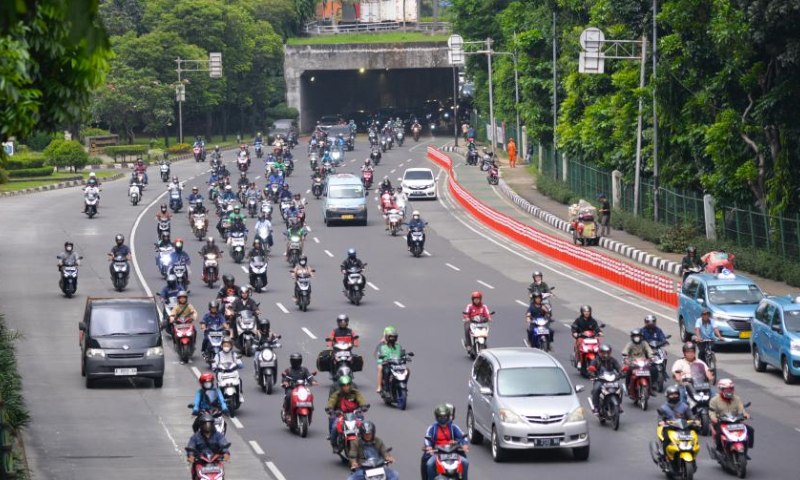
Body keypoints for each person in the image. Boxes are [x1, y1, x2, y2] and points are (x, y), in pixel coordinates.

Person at [423, 404, 469, 480]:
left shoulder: (453, 426)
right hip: (438, 453)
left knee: (465, 462)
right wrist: (429, 447)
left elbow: (462, 435)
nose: (443, 419)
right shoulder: (432, 428)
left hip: (452, 453)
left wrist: (464, 444)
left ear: (448, 417)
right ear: (437, 417)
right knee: (429, 464)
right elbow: (427, 438)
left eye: (445, 417)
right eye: (440, 417)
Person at [709, 379, 753, 452]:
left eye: (731, 389)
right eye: (726, 389)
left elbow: (741, 410)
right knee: (718, 434)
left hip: (735, 421)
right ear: (721, 389)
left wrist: (745, 415)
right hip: (721, 422)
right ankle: (720, 450)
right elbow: (712, 412)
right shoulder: (714, 400)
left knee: (750, 430)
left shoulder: (737, 399)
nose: (729, 391)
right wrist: (714, 418)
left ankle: (746, 448)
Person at [326, 375, 368, 451]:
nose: (346, 387)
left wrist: (363, 406)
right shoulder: (337, 394)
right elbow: (331, 401)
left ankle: (366, 443)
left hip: (354, 414)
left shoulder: (355, 393)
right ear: (341, 386)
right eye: (344, 386)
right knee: (335, 427)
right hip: (341, 415)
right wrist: (331, 409)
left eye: (347, 385)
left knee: (365, 427)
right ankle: (334, 443)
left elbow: (361, 399)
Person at [185, 412, 230, 477]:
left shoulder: (218, 435)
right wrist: (191, 456)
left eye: (209, 424)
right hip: (200, 461)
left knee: (221, 473)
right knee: (195, 472)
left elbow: (223, 443)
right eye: (205, 424)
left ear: (212, 424)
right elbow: (191, 447)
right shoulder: (195, 437)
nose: (207, 426)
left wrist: (226, 453)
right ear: (201, 425)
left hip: (215, 461)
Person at [587, 344, 622, 414]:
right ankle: (596, 407)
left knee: (620, 389)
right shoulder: (596, 360)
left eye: (607, 353)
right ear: (600, 352)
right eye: (604, 353)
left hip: (611, 380)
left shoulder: (613, 360)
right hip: (600, 380)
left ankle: (618, 405)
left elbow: (619, 368)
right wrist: (592, 373)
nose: (605, 355)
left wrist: (622, 373)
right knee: (596, 389)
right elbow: (591, 368)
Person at [621, 328, 656, 397]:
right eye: (635, 336)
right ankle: (628, 388)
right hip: (632, 363)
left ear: (641, 336)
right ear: (632, 337)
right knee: (628, 372)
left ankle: (651, 388)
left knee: (653, 370)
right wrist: (626, 358)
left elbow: (649, 350)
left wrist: (652, 357)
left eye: (638, 336)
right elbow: (625, 352)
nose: (637, 338)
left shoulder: (644, 343)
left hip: (643, 362)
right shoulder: (630, 344)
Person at [169, 291, 198, 363]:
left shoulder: (189, 306)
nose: (182, 299)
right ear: (178, 299)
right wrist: (172, 318)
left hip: (188, 322)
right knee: (173, 331)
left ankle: (193, 343)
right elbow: (172, 313)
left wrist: (194, 316)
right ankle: (175, 344)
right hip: (178, 323)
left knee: (195, 330)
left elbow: (194, 311)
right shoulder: (176, 306)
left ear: (186, 298)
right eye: (181, 298)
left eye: (184, 298)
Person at [377, 327, 405, 394]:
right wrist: (381, 360)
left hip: (397, 365)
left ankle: (403, 384)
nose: (392, 339)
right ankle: (386, 389)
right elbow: (379, 356)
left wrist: (405, 357)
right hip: (388, 364)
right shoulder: (383, 347)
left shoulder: (398, 346)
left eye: (394, 337)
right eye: (391, 337)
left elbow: (402, 354)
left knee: (407, 371)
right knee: (386, 371)